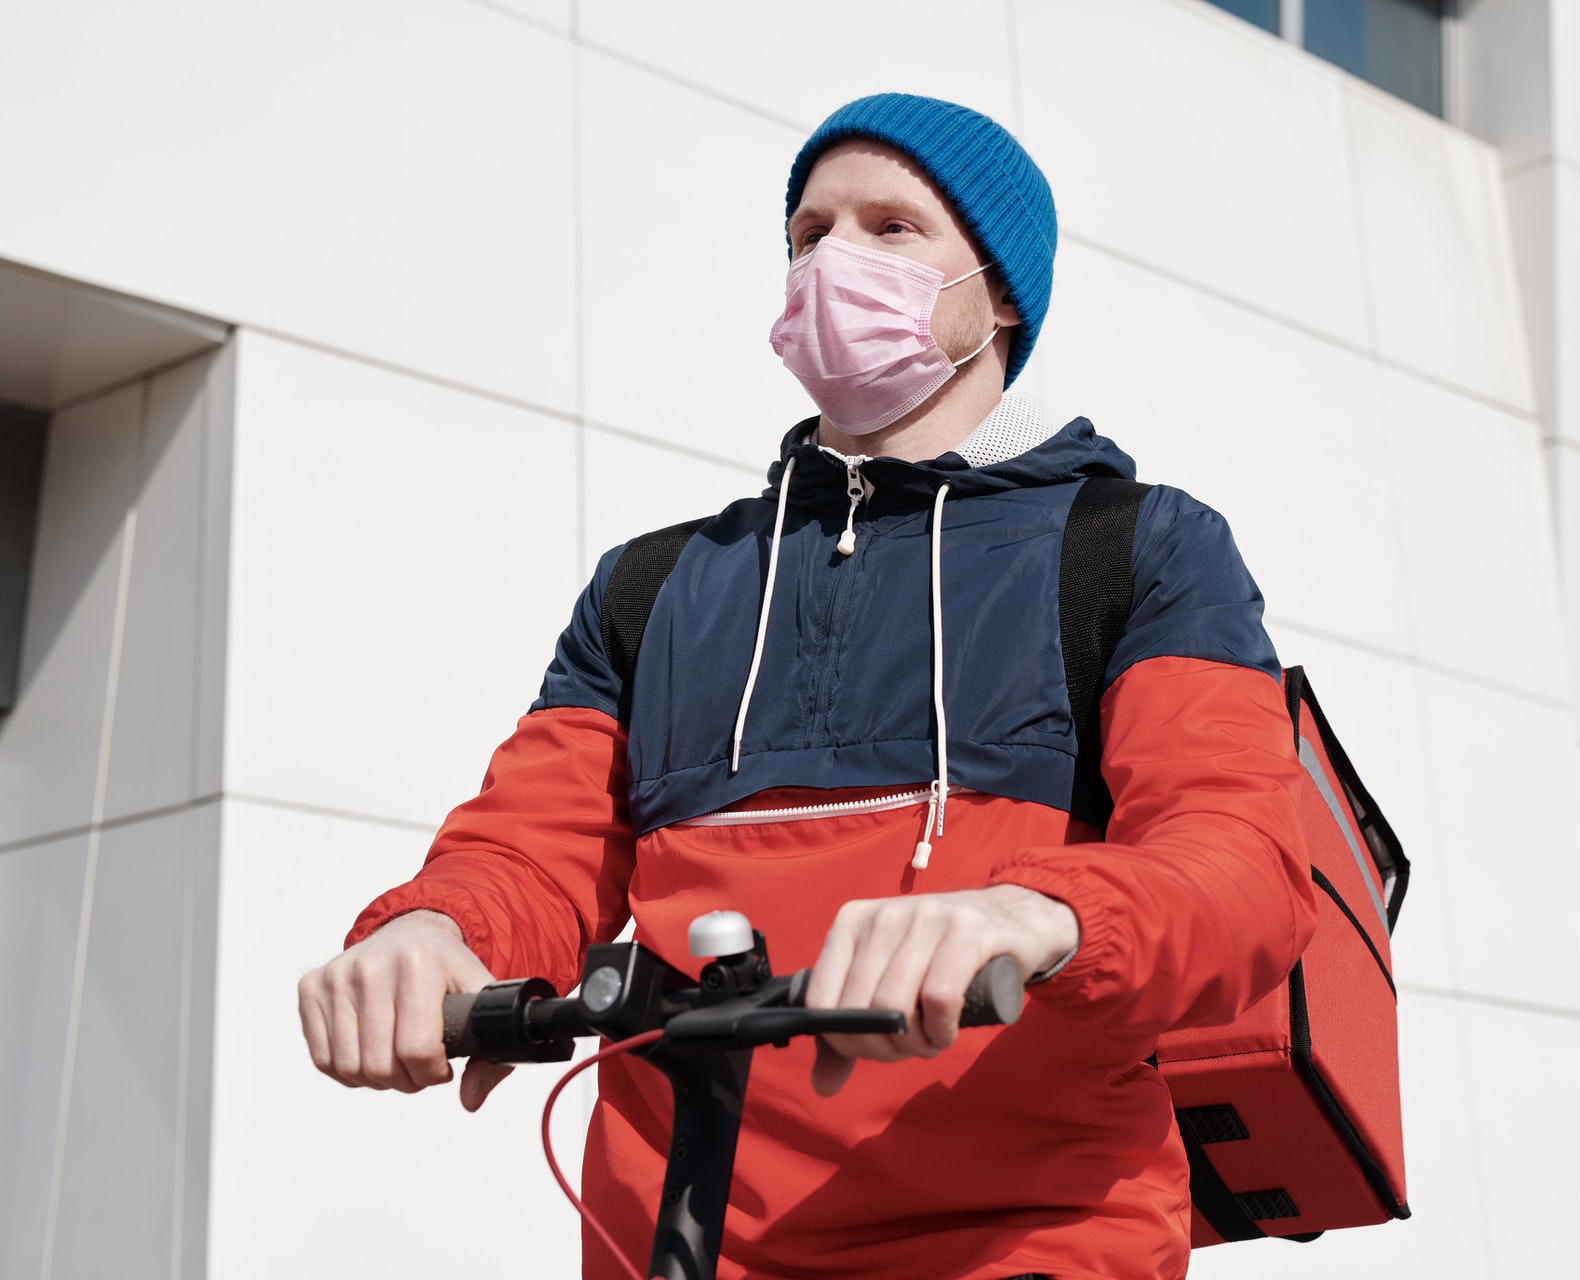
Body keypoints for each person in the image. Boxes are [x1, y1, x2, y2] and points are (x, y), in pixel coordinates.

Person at [297, 93, 1318, 1280]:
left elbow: (1238, 864)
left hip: (1019, 1241)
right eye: (809, 234)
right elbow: (531, 851)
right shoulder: (658, 581)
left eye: (893, 229)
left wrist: (1032, 911)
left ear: (998, 294)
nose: (837, 260)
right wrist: (436, 927)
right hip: (673, 1242)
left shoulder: (1138, 546)